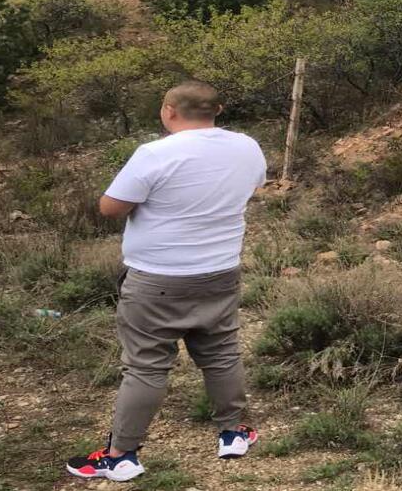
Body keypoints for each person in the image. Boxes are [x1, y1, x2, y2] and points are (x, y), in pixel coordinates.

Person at [66, 80, 267, 482]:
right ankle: (233, 432)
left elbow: (110, 207)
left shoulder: (155, 153)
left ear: (168, 111)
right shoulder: (248, 146)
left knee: (146, 366)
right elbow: (253, 185)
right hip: (220, 270)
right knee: (221, 354)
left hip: (157, 278)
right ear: (218, 110)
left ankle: (121, 456)